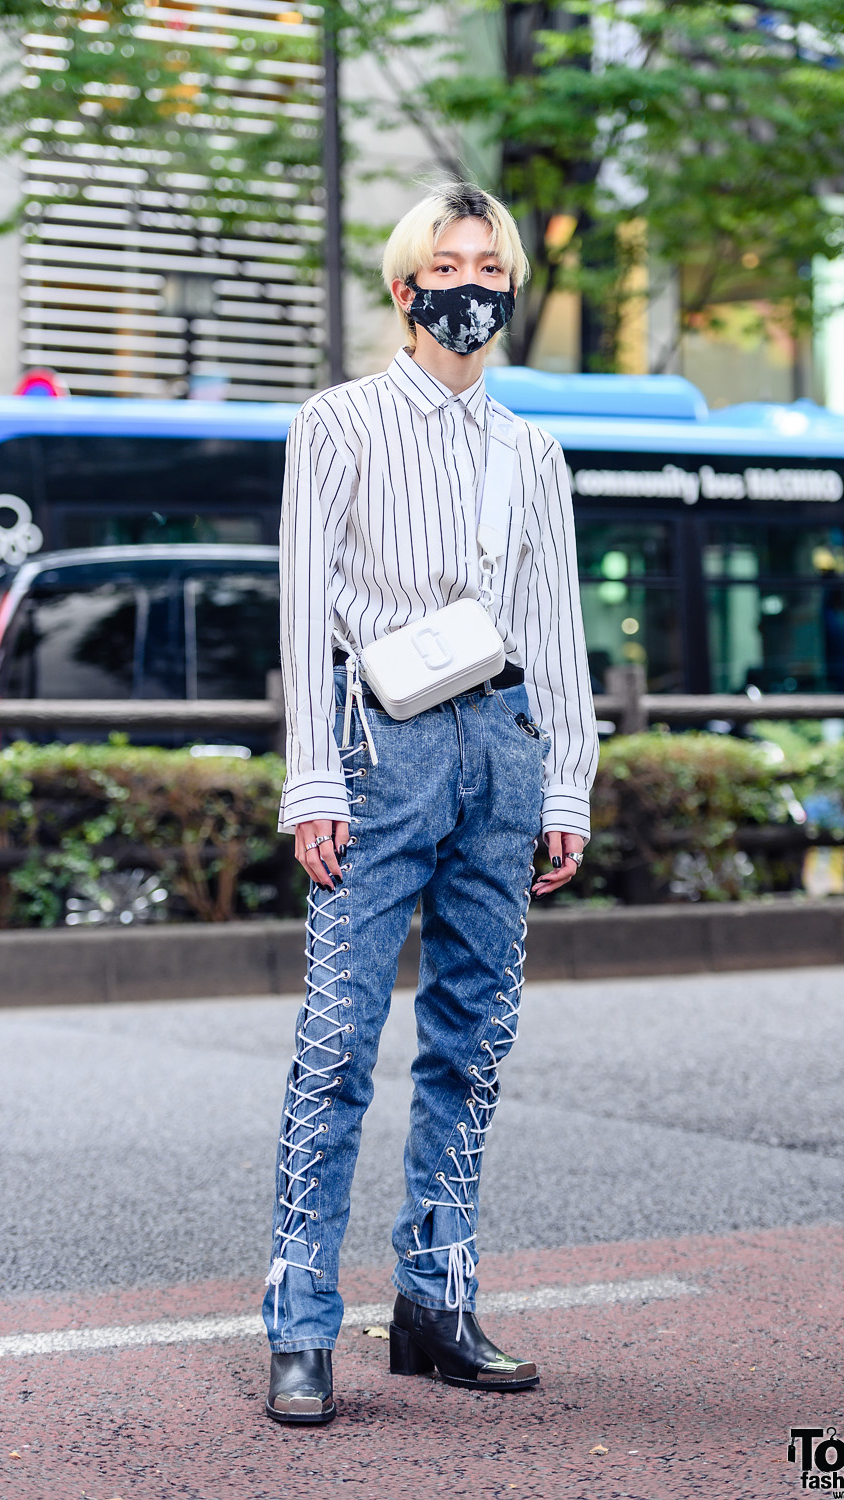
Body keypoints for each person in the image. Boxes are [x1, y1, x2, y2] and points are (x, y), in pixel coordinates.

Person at [263, 182, 598, 1425]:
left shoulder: (533, 448)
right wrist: (311, 780)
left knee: (474, 1041)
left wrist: (564, 778)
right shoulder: (336, 425)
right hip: (378, 748)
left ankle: (435, 1300)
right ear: (405, 288)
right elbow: (304, 615)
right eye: (446, 263)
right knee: (337, 1043)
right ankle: (299, 1323)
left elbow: (555, 630)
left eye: (489, 263)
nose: (471, 282)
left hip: (501, 752)